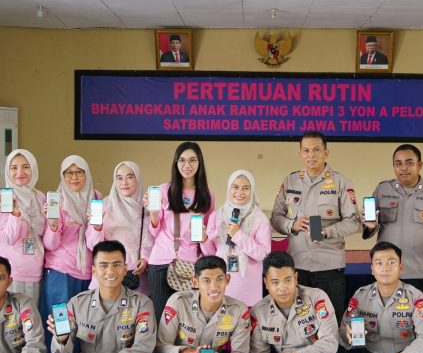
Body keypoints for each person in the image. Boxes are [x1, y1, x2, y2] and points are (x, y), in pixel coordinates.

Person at [270, 131, 361, 320]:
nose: (311, 155)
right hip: (298, 265)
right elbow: (276, 217)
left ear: (326, 153)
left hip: (329, 267)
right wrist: (292, 224)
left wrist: (327, 231)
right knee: (300, 320)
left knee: (331, 321)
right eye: (306, 150)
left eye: (316, 150)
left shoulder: (340, 182)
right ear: (300, 154)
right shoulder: (290, 181)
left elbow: (353, 221)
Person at [41, 156, 101, 353]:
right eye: (69, 173)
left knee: (85, 330)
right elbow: (51, 244)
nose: (74, 177)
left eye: (79, 172)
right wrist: (53, 224)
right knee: (62, 328)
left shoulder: (96, 198)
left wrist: (94, 225)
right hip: (60, 276)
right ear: (62, 176)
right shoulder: (57, 201)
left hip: (89, 276)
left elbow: (96, 244)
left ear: (87, 174)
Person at [362, 144, 423, 294]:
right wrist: (370, 227)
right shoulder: (382, 190)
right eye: (398, 164)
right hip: (387, 271)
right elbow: (369, 227)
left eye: (409, 163)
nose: (403, 168)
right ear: (393, 166)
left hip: (422, 271)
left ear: (419, 165)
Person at [146, 142, 217, 312]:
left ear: (199, 163)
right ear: (176, 163)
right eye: (182, 160)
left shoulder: (207, 195)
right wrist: (153, 214)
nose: (187, 165)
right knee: (162, 317)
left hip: (190, 266)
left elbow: (208, 240)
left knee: (187, 318)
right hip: (161, 263)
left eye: (192, 160)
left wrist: (202, 236)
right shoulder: (165, 190)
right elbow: (154, 231)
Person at [88, 161, 152, 293]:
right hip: (108, 274)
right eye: (119, 178)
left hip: (136, 275)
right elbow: (93, 245)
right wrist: (97, 227)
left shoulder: (146, 206)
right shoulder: (105, 205)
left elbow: (153, 236)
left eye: (129, 177)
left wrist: (146, 259)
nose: (124, 182)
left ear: (137, 179)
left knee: (135, 306)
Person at [0, 149, 46, 300]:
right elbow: (6, 239)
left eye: (26, 167)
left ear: (33, 169)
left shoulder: (39, 197)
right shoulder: (3, 199)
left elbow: (41, 232)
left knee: (32, 314)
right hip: (11, 273)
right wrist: (15, 215)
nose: (20, 172)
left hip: (35, 271)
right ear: (8, 171)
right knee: (11, 314)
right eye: (14, 168)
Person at [213, 170, 272, 307]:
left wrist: (238, 235)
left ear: (252, 190)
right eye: (235, 187)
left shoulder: (260, 219)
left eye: (246, 188)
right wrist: (203, 239)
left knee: (245, 319)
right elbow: (210, 251)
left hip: (247, 287)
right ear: (229, 188)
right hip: (219, 283)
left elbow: (264, 255)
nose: (240, 192)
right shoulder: (218, 215)